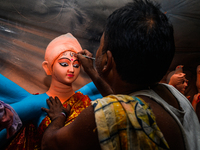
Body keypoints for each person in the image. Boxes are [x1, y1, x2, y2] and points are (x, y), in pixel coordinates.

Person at [41, 0, 200, 150]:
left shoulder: (108, 116)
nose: (71, 69)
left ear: (107, 61)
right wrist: (92, 71)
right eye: (64, 63)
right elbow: (125, 101)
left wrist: (59, 116)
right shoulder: (174, 96)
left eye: (101, 45)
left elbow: (50, 144)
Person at [0, 33, 92, 149]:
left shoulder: (84, 98)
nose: (71, 69)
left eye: (77, 65)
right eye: (64, 64)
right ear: (47, 67)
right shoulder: (39, 103)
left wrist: (92, 71)